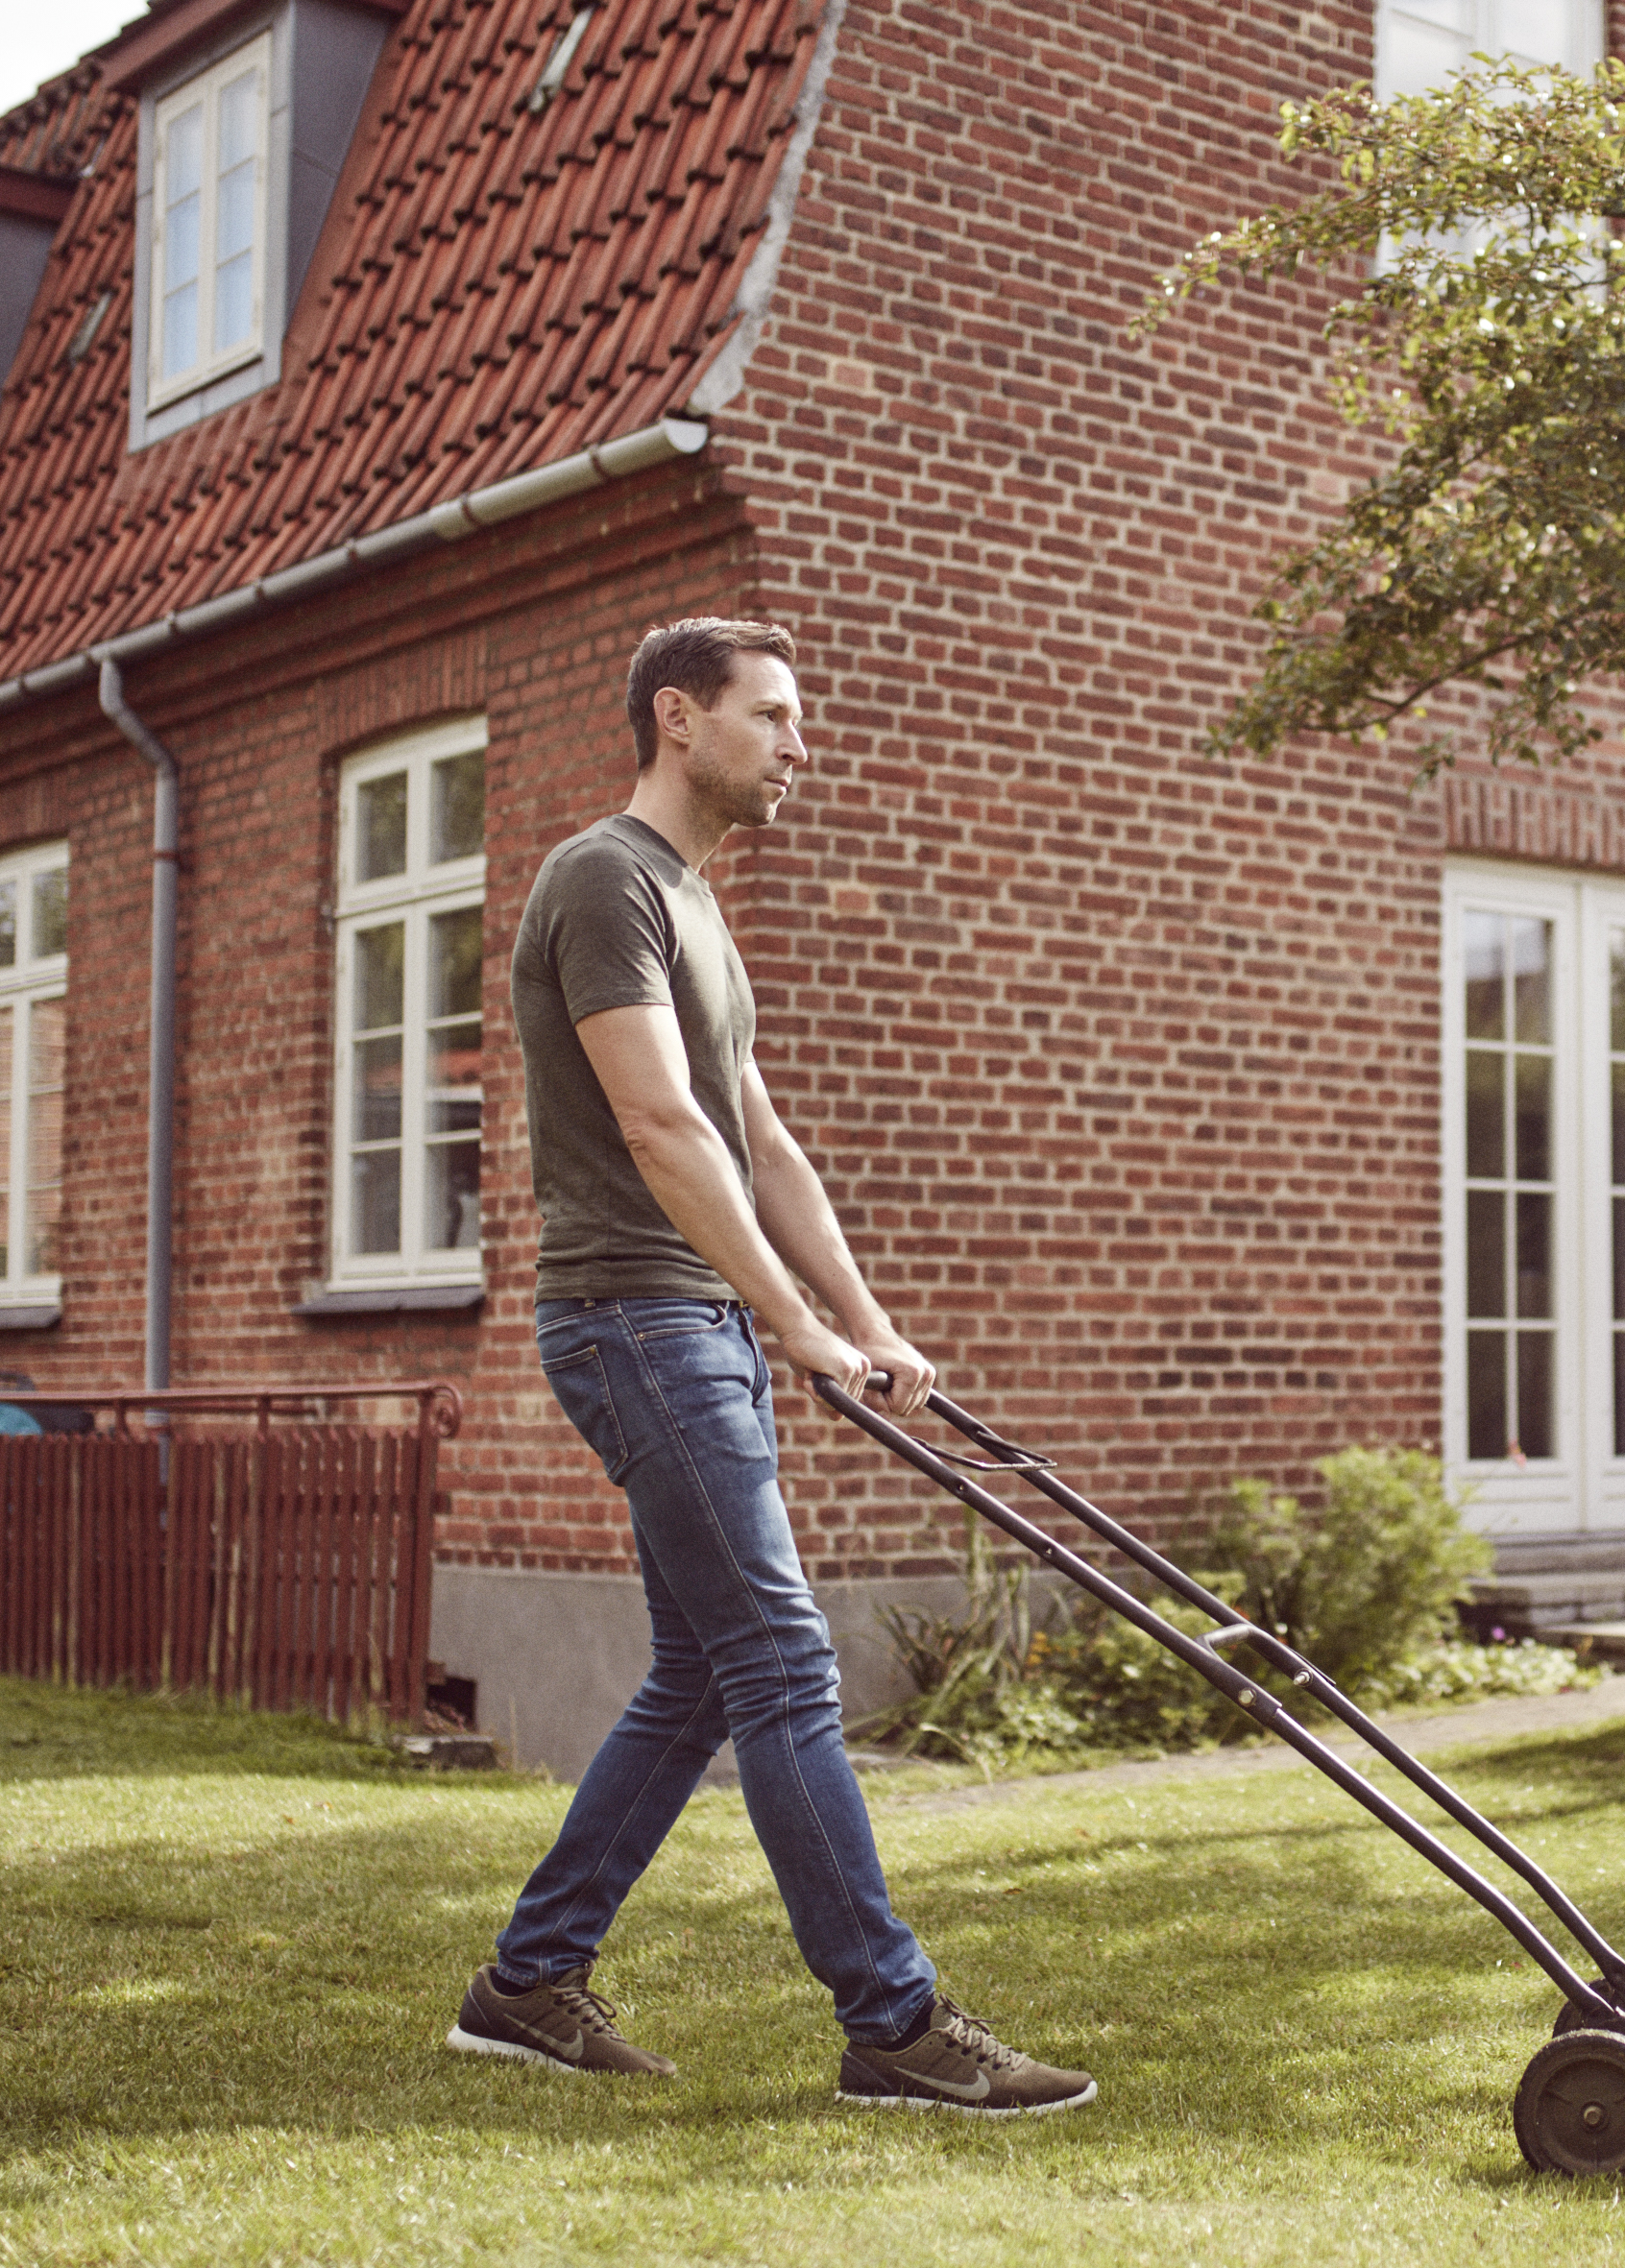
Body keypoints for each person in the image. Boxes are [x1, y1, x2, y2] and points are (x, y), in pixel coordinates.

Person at [441, 616, 1094, 2117]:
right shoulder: (603, 877)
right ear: (679, 717)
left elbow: (761, 1139)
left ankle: (527, 1983)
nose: (801, 745)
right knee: (784, 1661)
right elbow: (660, 1129)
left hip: (701, 1323)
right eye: (776, 716)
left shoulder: (694, 904)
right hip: (641, 1319)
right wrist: (790, 1325)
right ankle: (896, 2022)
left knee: (699, 1674)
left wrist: (859, 1318)